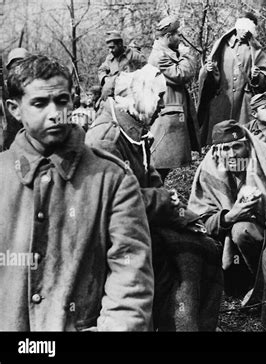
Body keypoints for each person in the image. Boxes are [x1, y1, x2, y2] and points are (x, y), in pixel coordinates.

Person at [0, 55, 154, 331]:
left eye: (62, 100)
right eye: (39, 103)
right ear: (15, 109)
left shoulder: (111, 179)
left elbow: (130, 278)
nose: (55, 113)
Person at [86, 64, 223, 331]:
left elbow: (152, 181)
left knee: (204, 245)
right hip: (115, 235)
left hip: (143, 220)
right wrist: (163, 202)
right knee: (185, 261)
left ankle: (191, 323)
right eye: (159, 98)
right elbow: (106, 200)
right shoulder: (106, 137)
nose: (162, 106)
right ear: (142, 95)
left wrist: (183, 214)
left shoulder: (134, 128)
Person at [188, 119, 266, 296]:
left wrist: (259, 208)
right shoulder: (210, 168)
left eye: (237, 147)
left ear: (247, 147)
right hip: (229, 241)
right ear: (216, 152)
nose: (232, 155)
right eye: (225, 149)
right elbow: (199, 221)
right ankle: (243, 281)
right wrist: (230, 216)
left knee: (242, 231)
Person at [197, 12, 266, 147]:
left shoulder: (255, 50)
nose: (245, 33)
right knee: (220, 140)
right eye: (243, 29)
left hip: (244, 105)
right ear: (237, 27)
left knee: (242, 141)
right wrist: (209, 71)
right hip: (222, 103)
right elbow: (210, 78)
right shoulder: (221, 46)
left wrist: (257, 77)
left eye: (248, 32)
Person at [147, 15, 200, 181]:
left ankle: (158, 198)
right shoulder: (159, 57)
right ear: (169, 36)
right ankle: (155, 200)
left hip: (172, 116)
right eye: (177, 35)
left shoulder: (166, 53)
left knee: (162, 168)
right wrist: (186, 55)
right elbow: (182, 74)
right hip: (167, 119)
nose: (180, 39)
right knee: (159, 167)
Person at [97, 30, 146, 103]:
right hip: (113, 99)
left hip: (132, 99)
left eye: (112, 47)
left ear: (120, 44)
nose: (110, 50)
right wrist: (105, 79)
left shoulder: (136, 56)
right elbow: (101, 70)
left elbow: (148, 74)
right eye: (109, 48)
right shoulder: (110, 58)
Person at [1, 47, 30, 150]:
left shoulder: (37, 87)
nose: (18, 69)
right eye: (14, 66)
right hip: (9, 140)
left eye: (22, 64)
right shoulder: (4, 88)